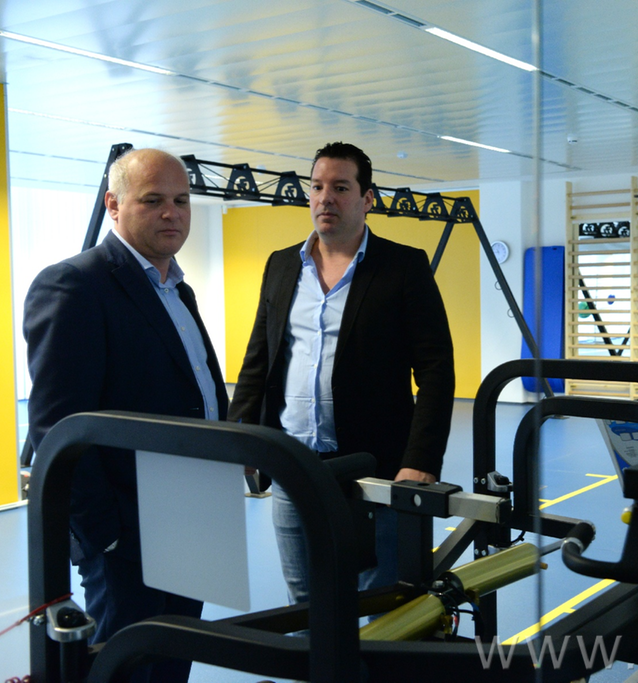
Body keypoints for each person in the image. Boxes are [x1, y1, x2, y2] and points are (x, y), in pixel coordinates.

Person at [23, 148, 228, 683]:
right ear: (113, 205)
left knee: (174, 661)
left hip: (194, 514)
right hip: (128, 532)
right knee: (127, 668)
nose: (172, 213)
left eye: (182, 200)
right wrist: (106, 534)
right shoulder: (75, 285)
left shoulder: (176, 287)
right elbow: (57, 425)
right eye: (153, 200)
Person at [228, 142, 455, 604]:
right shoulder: (281, 264)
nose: (325, 198)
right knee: (305, 598)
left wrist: (421, 459)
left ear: (367, 199)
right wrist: (242, 437)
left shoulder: (403, 266)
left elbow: (436, 369)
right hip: (293, 464)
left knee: (381, 598)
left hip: (375, 468)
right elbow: (259, 359)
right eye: (316, 187)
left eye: (340, 187)